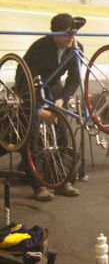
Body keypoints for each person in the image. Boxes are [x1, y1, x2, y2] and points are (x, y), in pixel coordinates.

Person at [16, 13, 81, 201]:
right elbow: (23, 80)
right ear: (55, 34)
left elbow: (74, 78)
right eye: (67, 34)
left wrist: (63, 98)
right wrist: (37, 110)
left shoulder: (75, 48)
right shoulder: (39, 48)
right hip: (31, 91)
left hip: (54, 91)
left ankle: (60, 181)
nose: (71, 38)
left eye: (74, 33)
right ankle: (38, 186)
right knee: (32, 139)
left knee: (62, 135)